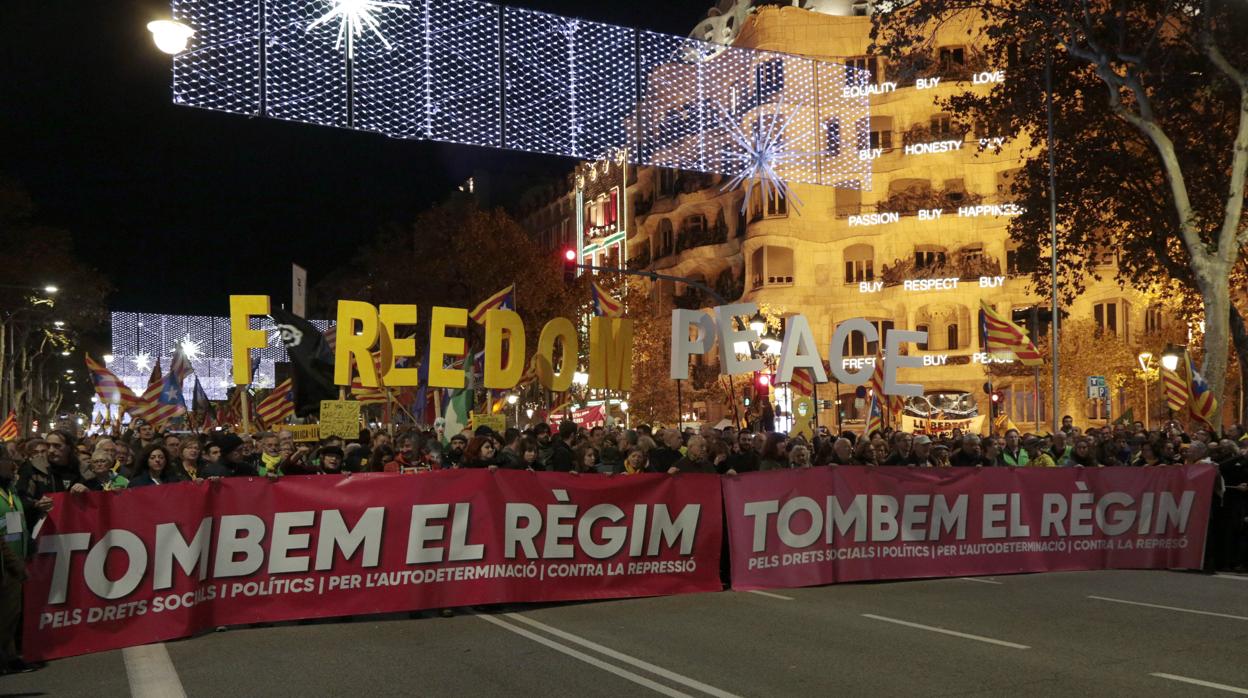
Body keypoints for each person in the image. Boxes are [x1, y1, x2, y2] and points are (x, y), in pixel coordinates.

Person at [0, 456, 33, 674]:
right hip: (5, 563)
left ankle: (10, 656)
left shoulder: (11, 490)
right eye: (6, 462)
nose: (12, 466)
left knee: (12, 613)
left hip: (17, 558)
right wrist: (15, 563)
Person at [18, 429, 84, 515]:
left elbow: (96, 500)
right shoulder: (33, 467)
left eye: (57, 446)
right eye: (48, 446)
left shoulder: (83, 470)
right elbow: (21, 497)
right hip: (43, 522)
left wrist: (87, 493)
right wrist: (36, 504)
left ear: (69, 447)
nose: (51, 450)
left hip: (76, 523)